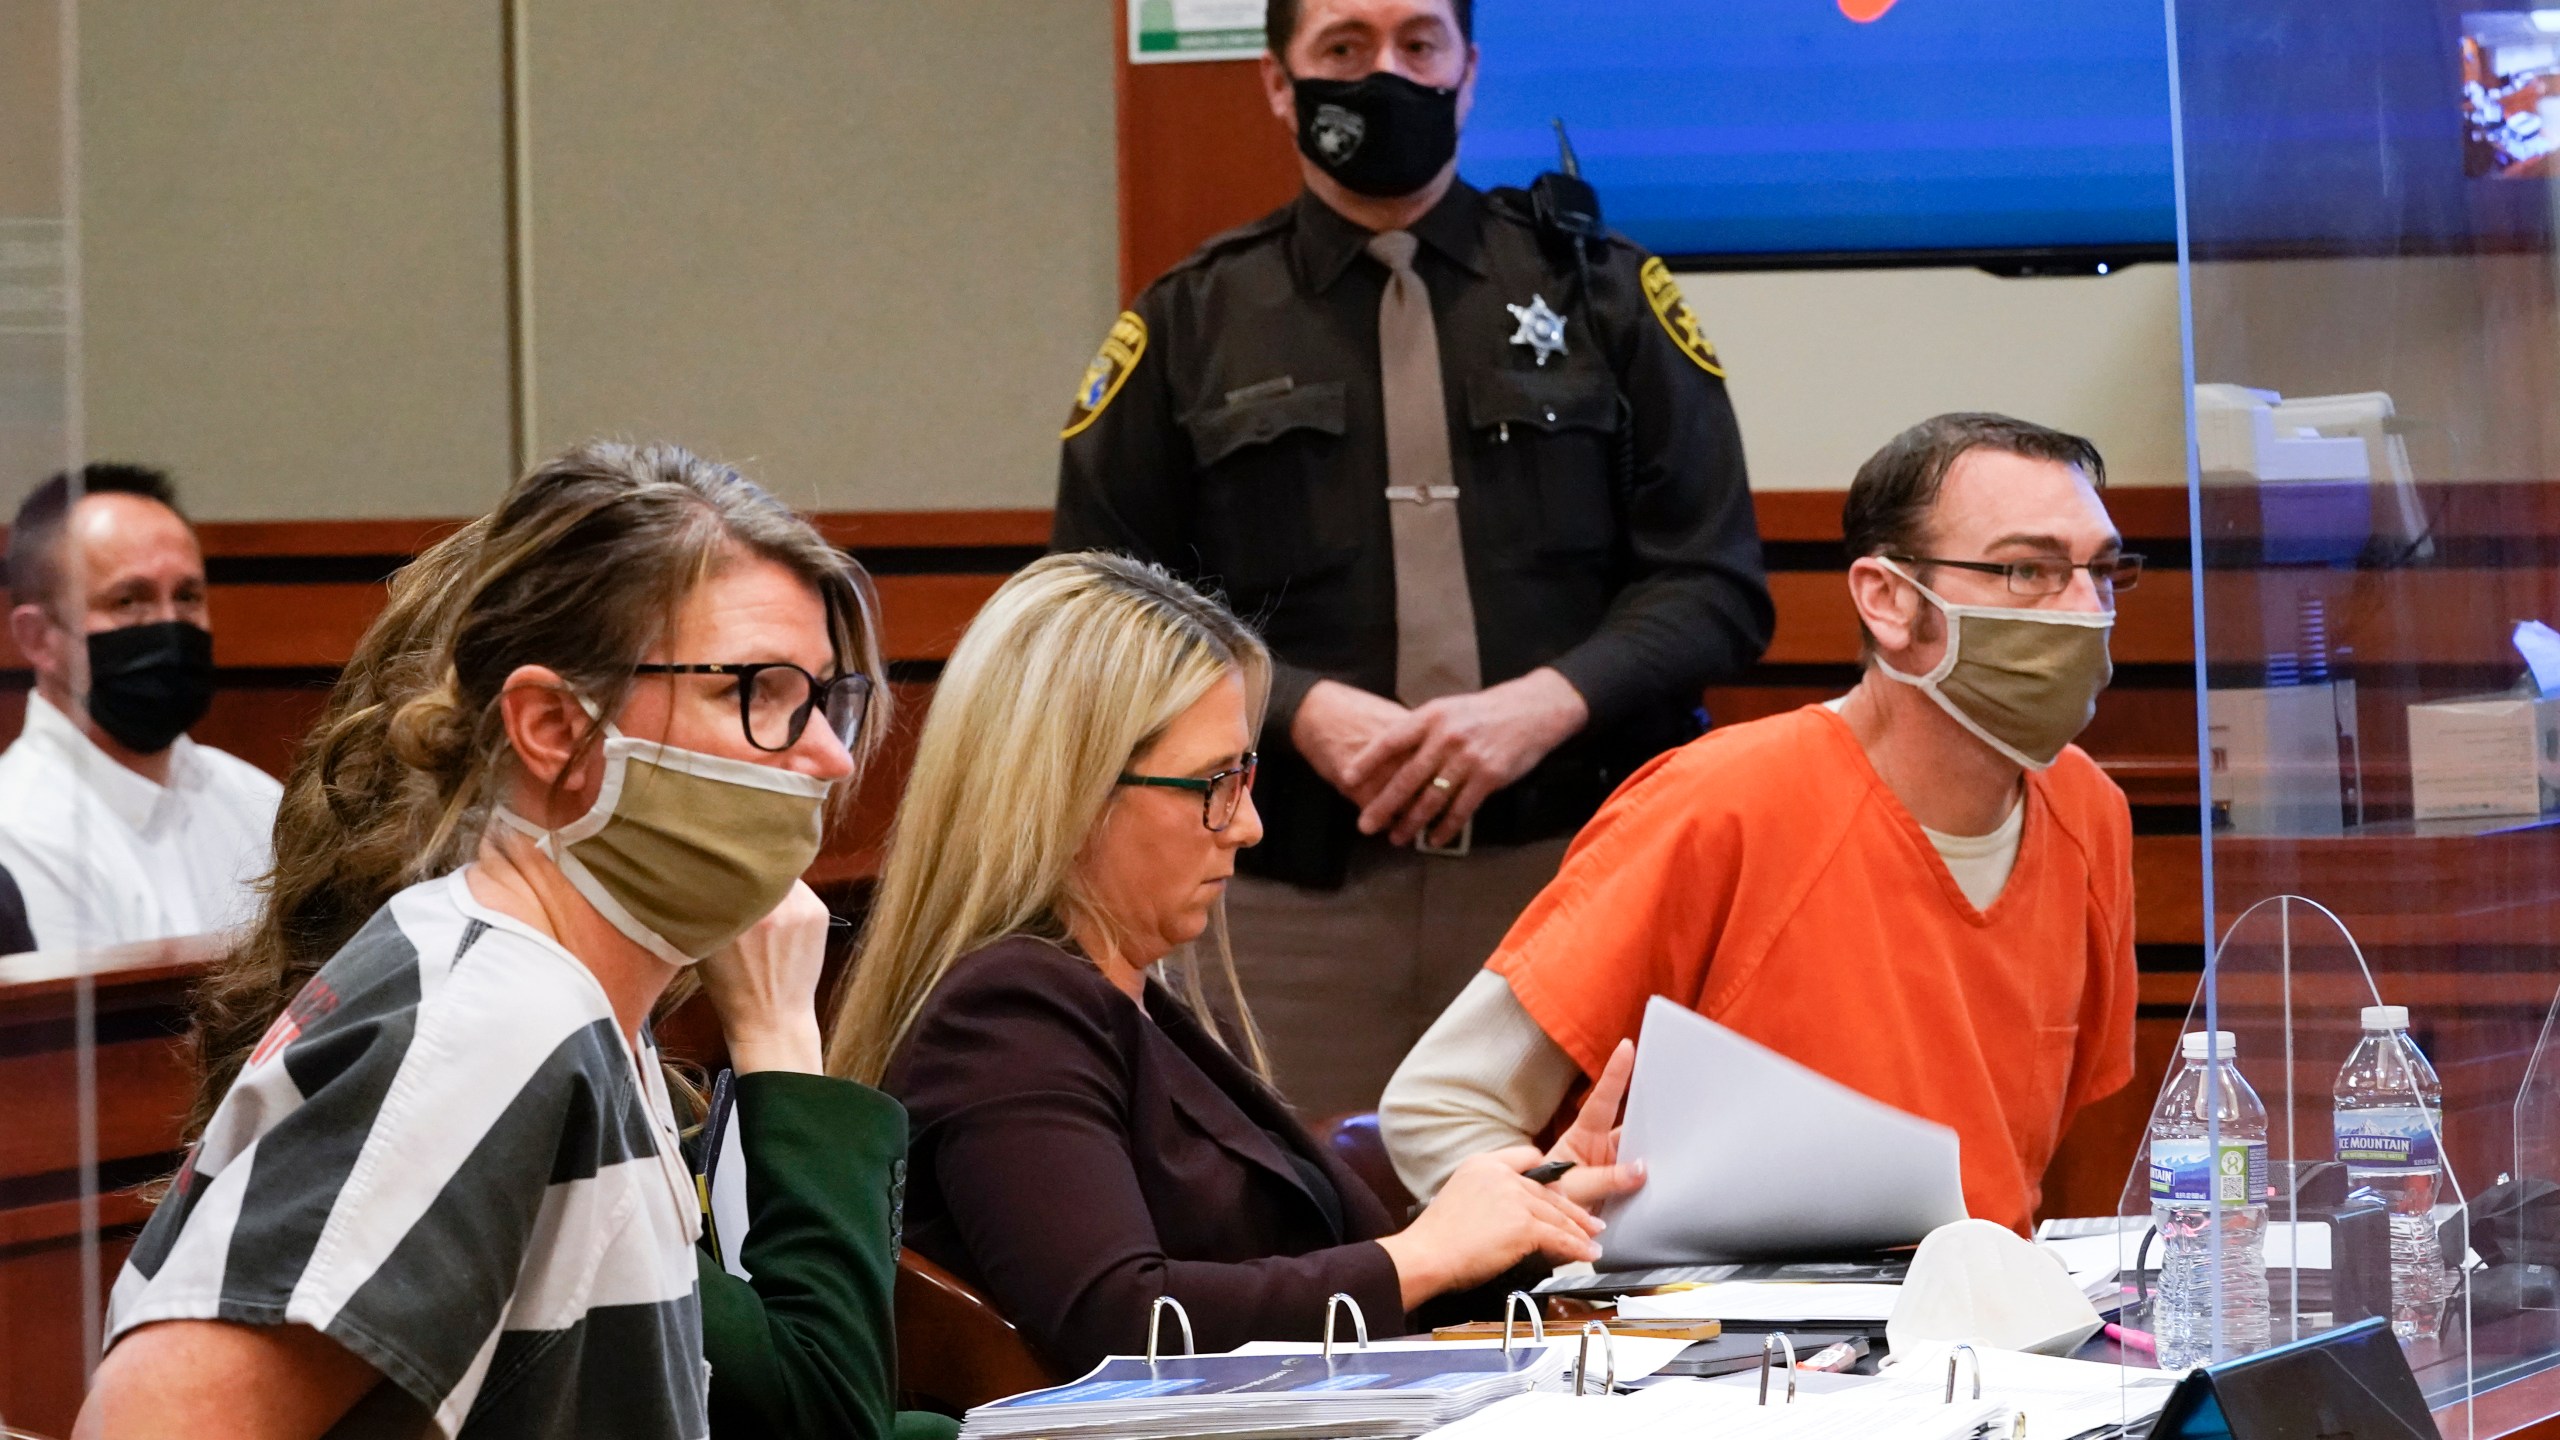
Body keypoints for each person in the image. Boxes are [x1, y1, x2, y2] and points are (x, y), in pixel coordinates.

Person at [80, 442, 925, 1440]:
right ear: (554, 729)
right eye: (759, 693)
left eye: (828, 699)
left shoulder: (566, 1008)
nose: (827, 757)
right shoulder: (487, 1020)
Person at [1051, 0, 1773, 1117]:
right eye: (1343, 47)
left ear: (1467, 72)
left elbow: (1715, 587)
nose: (1384, 73)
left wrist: (1545, 703)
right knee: (1283, 1232)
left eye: (1417, 44)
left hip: (1573, 866)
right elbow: (1099, 611)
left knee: (1587, 1233)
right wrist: (1289, 704)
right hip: (1279, 884)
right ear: (1279, 83)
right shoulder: (1190, 323)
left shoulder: (1604, 297)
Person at [826, 553, 1643, 1378]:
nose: (1247, 826)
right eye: (1216, 782)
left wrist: (1520, 1228)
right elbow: (1118, 1319)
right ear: (1071, 790)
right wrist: (1425, 1252)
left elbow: (1322, 1291)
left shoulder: (1134, 1001)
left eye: (1246, 776)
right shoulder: (1008, 1011)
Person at [1379, 414, 2141, 1235]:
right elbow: (1440, 1107)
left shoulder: (2091, 814)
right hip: (1731, 1343)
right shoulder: (1723, 801)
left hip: (1978, 1333)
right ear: (1887, 599)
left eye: (2101, 572)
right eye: (2027, 570)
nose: (2084, 609)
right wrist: (1566, 1230)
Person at [0, 464, 281, 952]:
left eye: (188, 597)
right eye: (129, 601)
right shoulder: (16, 829)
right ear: (38, 637)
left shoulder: (258, 801)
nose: (170, 627)